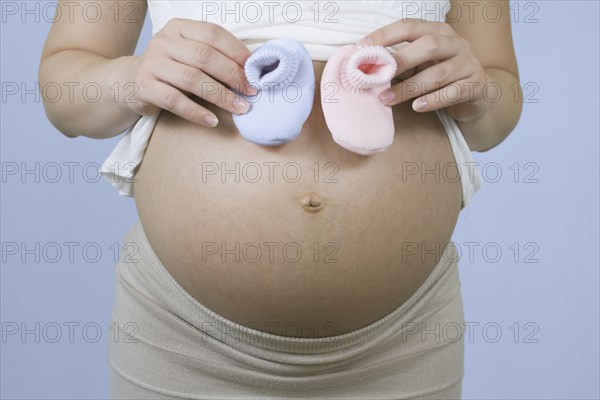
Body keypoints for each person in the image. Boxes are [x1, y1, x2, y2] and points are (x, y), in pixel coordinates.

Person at [39, 0, 522, 398]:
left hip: (404, 344)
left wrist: (480, 93)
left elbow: (498, 109)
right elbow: (63, 89)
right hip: (181, 338)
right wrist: (131, 77)